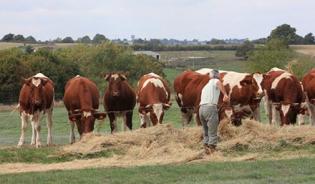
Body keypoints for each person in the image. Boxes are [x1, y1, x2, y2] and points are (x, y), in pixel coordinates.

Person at [199, 69, 229, 154]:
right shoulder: (216, 81)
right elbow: (218, 83)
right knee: (212, 130)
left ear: (210, 76)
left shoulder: (206, 86)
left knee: (205, 130)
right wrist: (225, 94)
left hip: (201, 109)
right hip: (210, 108)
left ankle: (205, 147)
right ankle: (212, 149)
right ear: (217, 75)